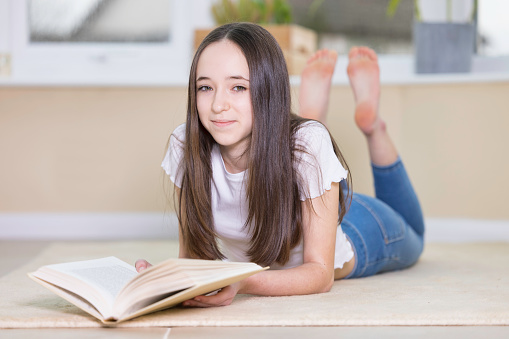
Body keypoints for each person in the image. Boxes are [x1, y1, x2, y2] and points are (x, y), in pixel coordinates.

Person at [136, 22, 425, 307]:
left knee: (415, 234)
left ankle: (374, 128)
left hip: (354, 229)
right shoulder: (185, 146)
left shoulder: (308, 147)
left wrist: (245, 281)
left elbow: (321, 274)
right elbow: (193, 259)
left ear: (268, 90)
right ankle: (313, 121)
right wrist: (167, 279)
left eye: (238, 87)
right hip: (306, 186)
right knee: (308, 147)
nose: (217, 105)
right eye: (205, 88)